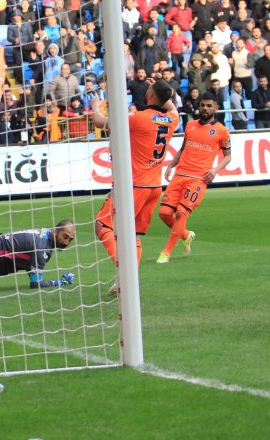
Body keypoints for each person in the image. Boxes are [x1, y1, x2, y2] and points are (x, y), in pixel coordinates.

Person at [90, 79, 179, 295]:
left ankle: (126, 276)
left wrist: (94, 105)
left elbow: (100, 121)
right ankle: (126, 282)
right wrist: (164, 91)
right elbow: (172, 106)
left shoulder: (138, 118)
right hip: (154, 186)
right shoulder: (171, 119)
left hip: (134, 185)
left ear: (149, 94)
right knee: (132, 235)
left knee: (102, 225)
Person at [157, 93, 232, 264]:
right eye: (202, 105)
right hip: (180, 175)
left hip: (198, 179)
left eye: (209, 106)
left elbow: (228, 156)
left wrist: (215, 169)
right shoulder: (190, 125)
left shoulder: (221, 131)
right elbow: (183, 149)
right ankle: (186, 235)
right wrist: (171, 165)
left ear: (216, 108)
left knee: (181, 213)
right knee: (164, 213)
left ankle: (166, 253)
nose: (205, 108)